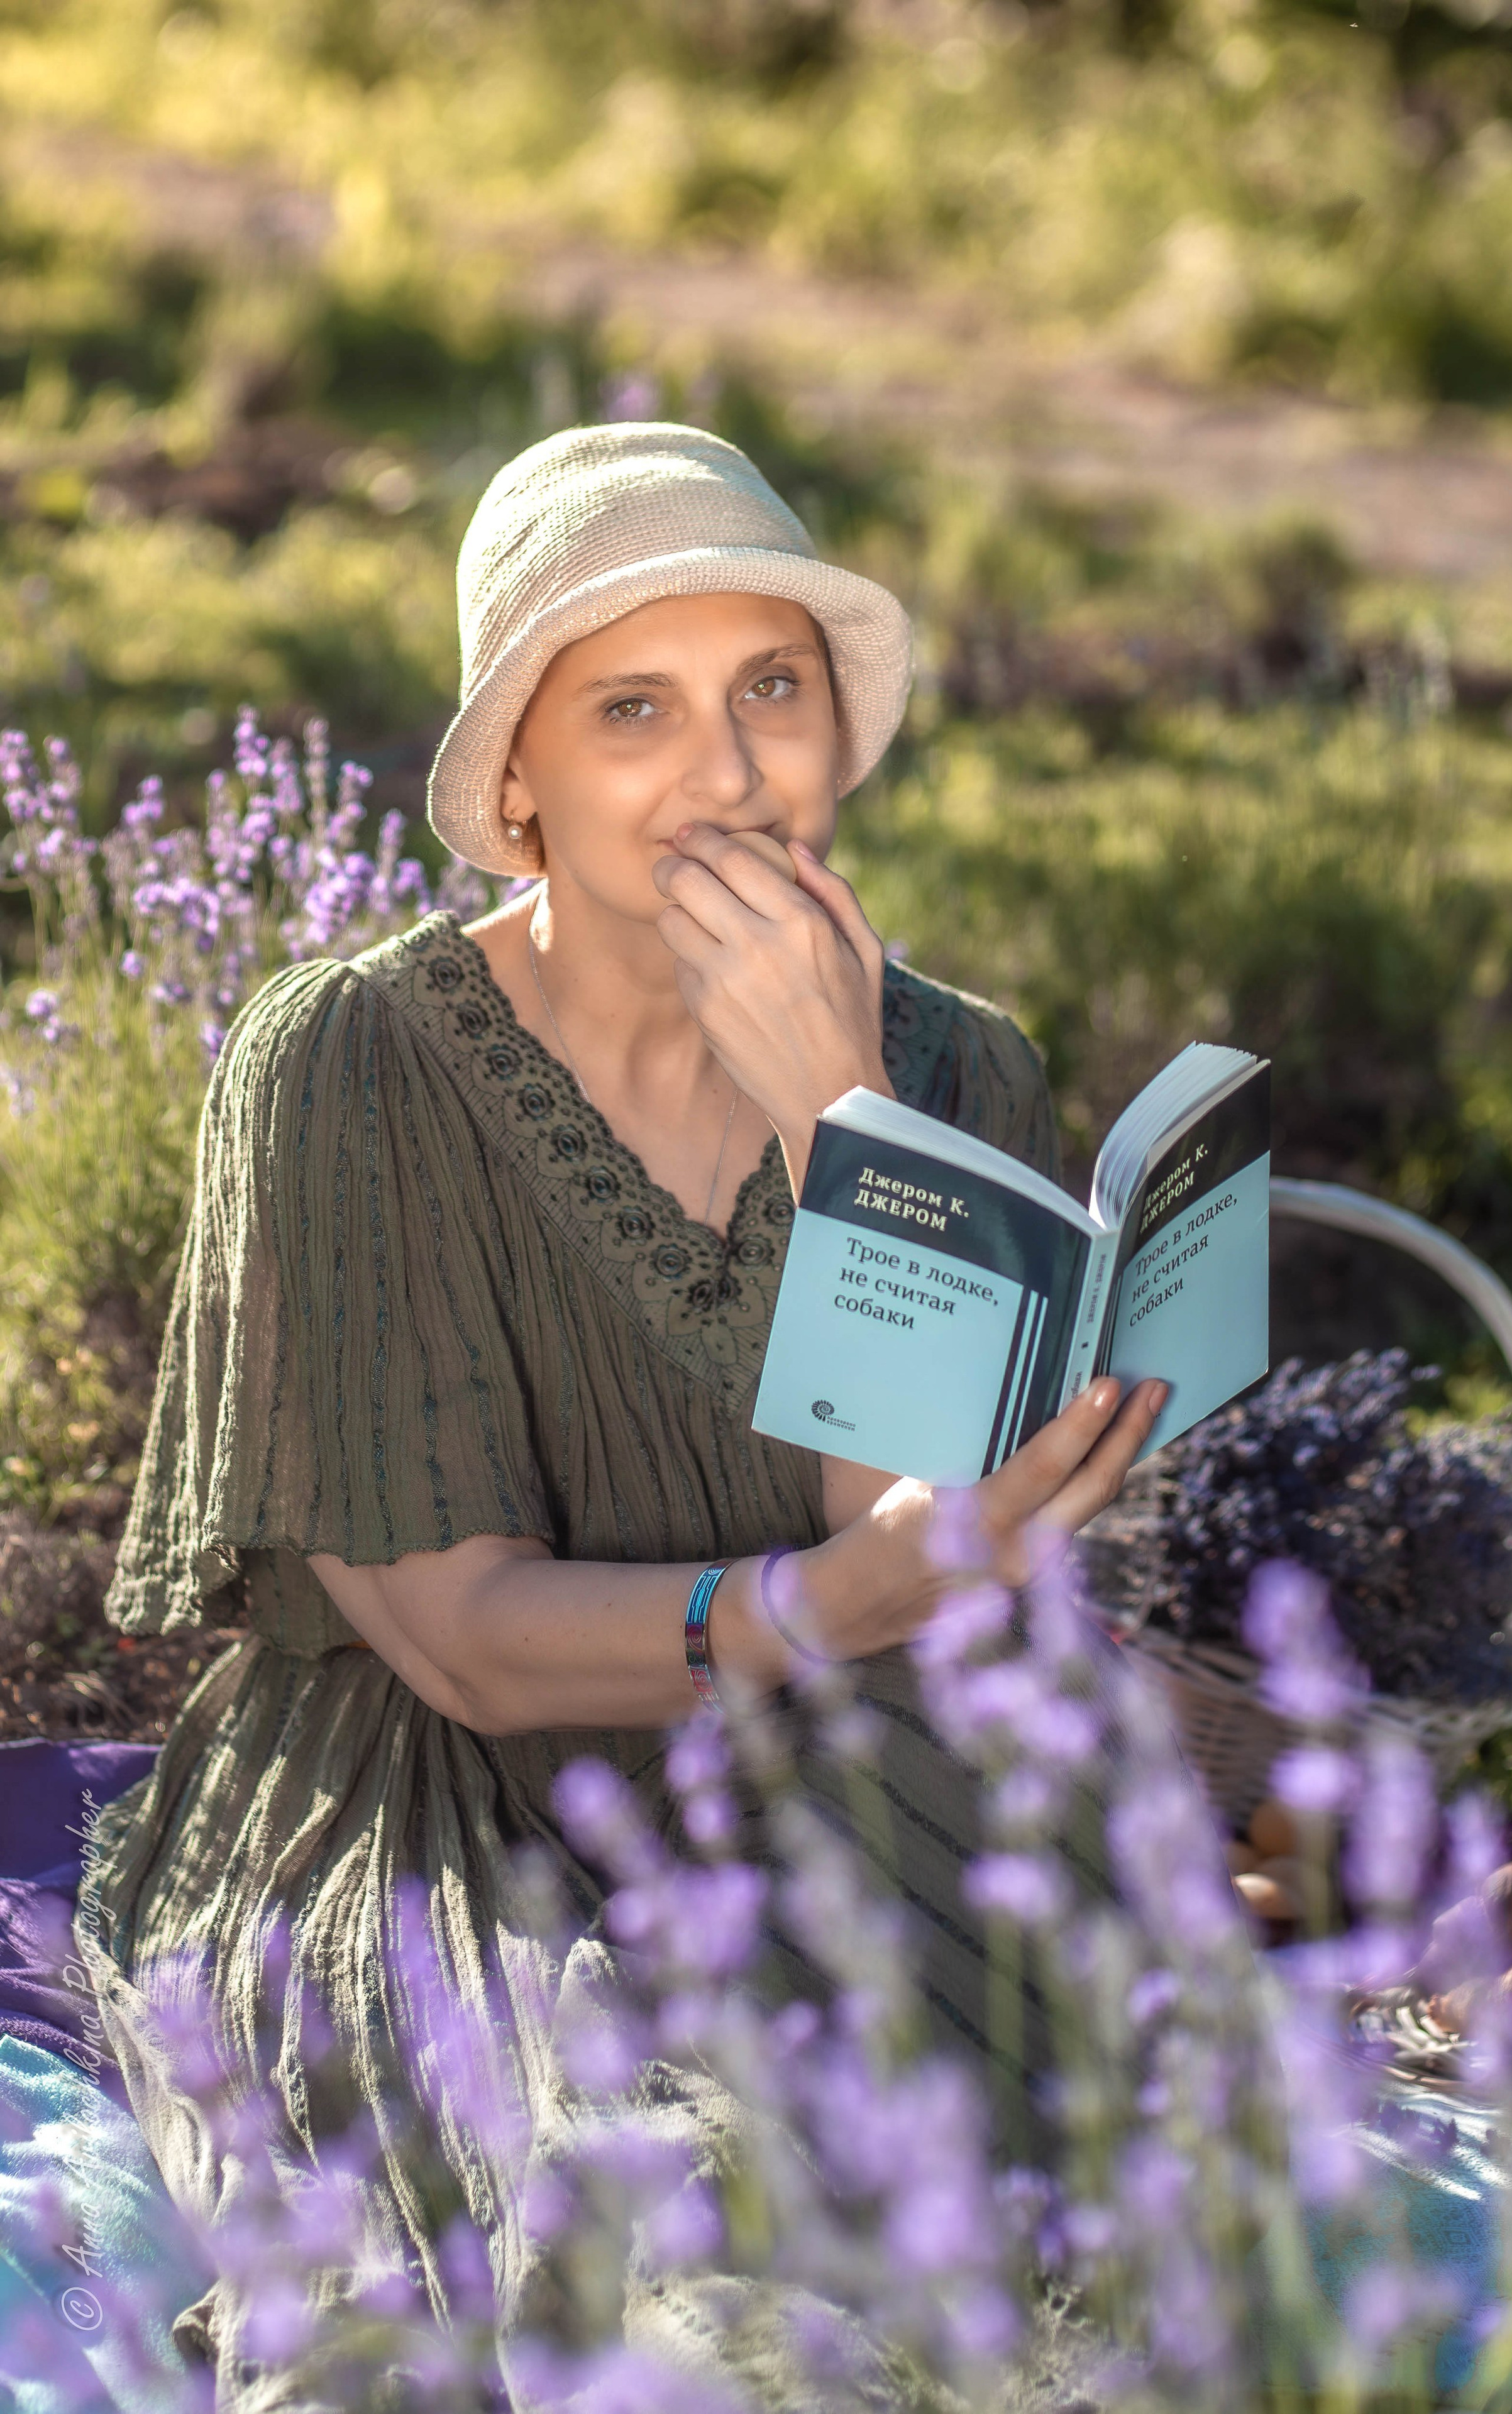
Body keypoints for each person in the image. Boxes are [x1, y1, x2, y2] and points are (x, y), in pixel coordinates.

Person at [76, 423, 1166, 2393]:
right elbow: (470, 1643)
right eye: (634, 711)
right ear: (517, 788)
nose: (733, 771)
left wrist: (853, 1128)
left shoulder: (950, 1074)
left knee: (1003, 2230)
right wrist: (852, 1600)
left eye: (772, 691)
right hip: (433, 1790)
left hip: (835, 1764)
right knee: (567, 2202)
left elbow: (893, 1536)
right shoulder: (344, 1070)